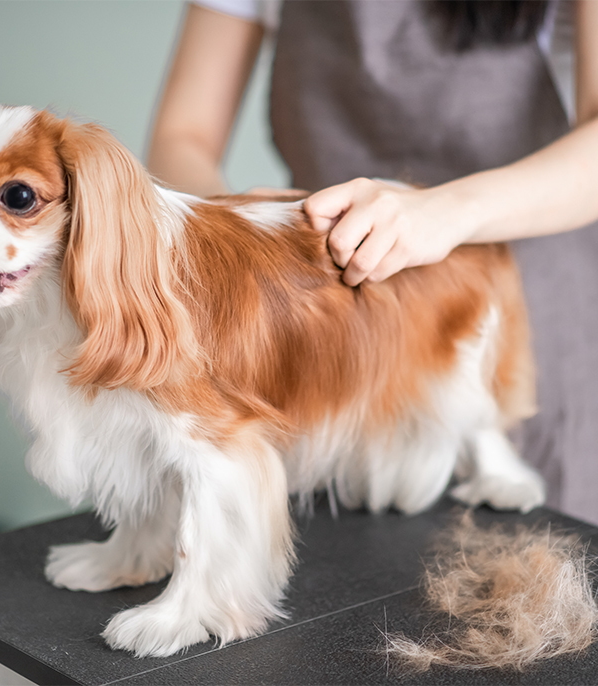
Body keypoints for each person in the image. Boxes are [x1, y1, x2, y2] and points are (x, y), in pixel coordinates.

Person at [147, 0, 598, 524]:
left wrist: (441, 212)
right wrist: (239, 223)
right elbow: (182, 137)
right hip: (333, 343)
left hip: (518, 326)